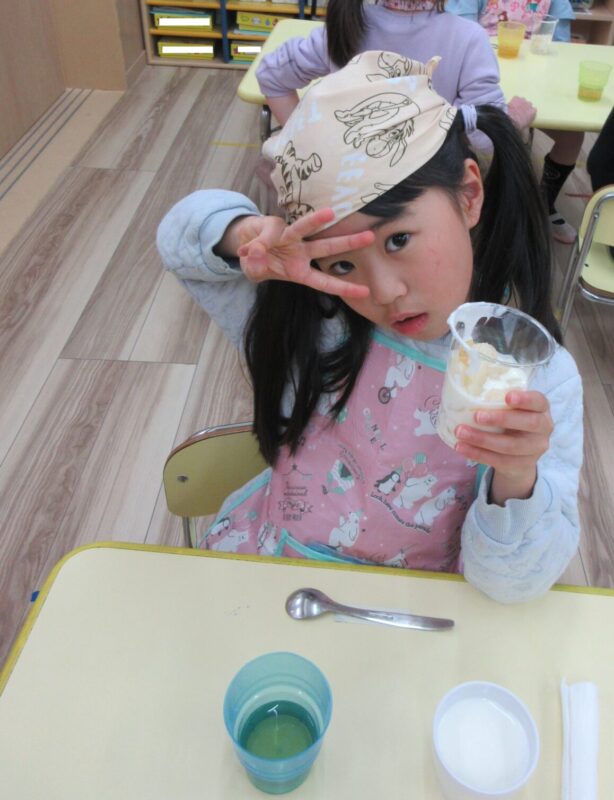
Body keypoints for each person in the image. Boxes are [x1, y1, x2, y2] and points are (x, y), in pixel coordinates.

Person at [157, 52, 583, 603]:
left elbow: (510, 586)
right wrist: (245, 234)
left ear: (469, 194)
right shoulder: (316, 318)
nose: (382, 291)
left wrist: (518, 477)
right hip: (277, 578)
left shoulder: (536, 379)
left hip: (418, 607)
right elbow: (178, 235)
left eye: (398, 240)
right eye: (342, 263)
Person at [255, 0, 535, 130]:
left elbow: (271, 75)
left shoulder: (342, 26)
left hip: (346, 194)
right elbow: (484, 138)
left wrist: (301, 137)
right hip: (425, 200)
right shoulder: (468, 38)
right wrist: (513, 120)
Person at [446, 0, 583, 244]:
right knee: (474, 135)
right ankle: (476, 203)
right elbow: (460, 34)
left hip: (537, 82)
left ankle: (544, 204)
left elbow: (561, 48)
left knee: (572, 135)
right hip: (483, 81)